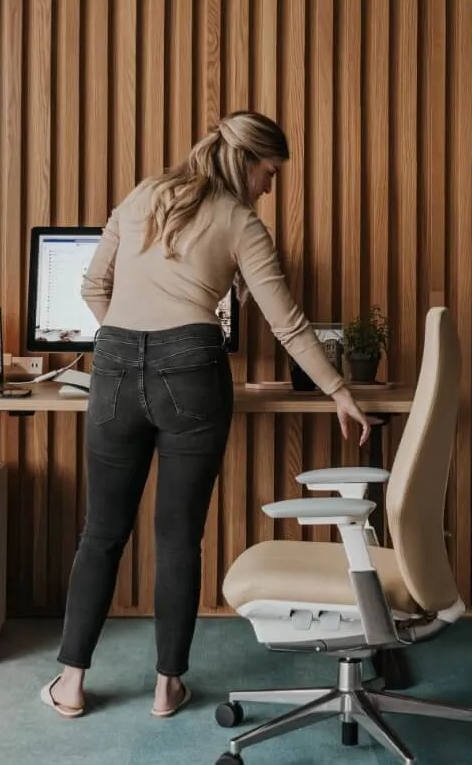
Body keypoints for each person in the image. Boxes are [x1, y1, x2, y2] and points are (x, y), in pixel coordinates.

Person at [40, 110, 373, 719]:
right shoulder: (242, 222)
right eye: (270, 173)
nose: (272, 187)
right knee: (177, 537)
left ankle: (71, 682)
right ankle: (168, 686)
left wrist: (126, 342)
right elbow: (287, 323)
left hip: (111, 370)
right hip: (192, 371)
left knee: (101, 532)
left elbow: (93, 287)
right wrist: (338, 390)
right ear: (248, 162)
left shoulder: (144, 194)